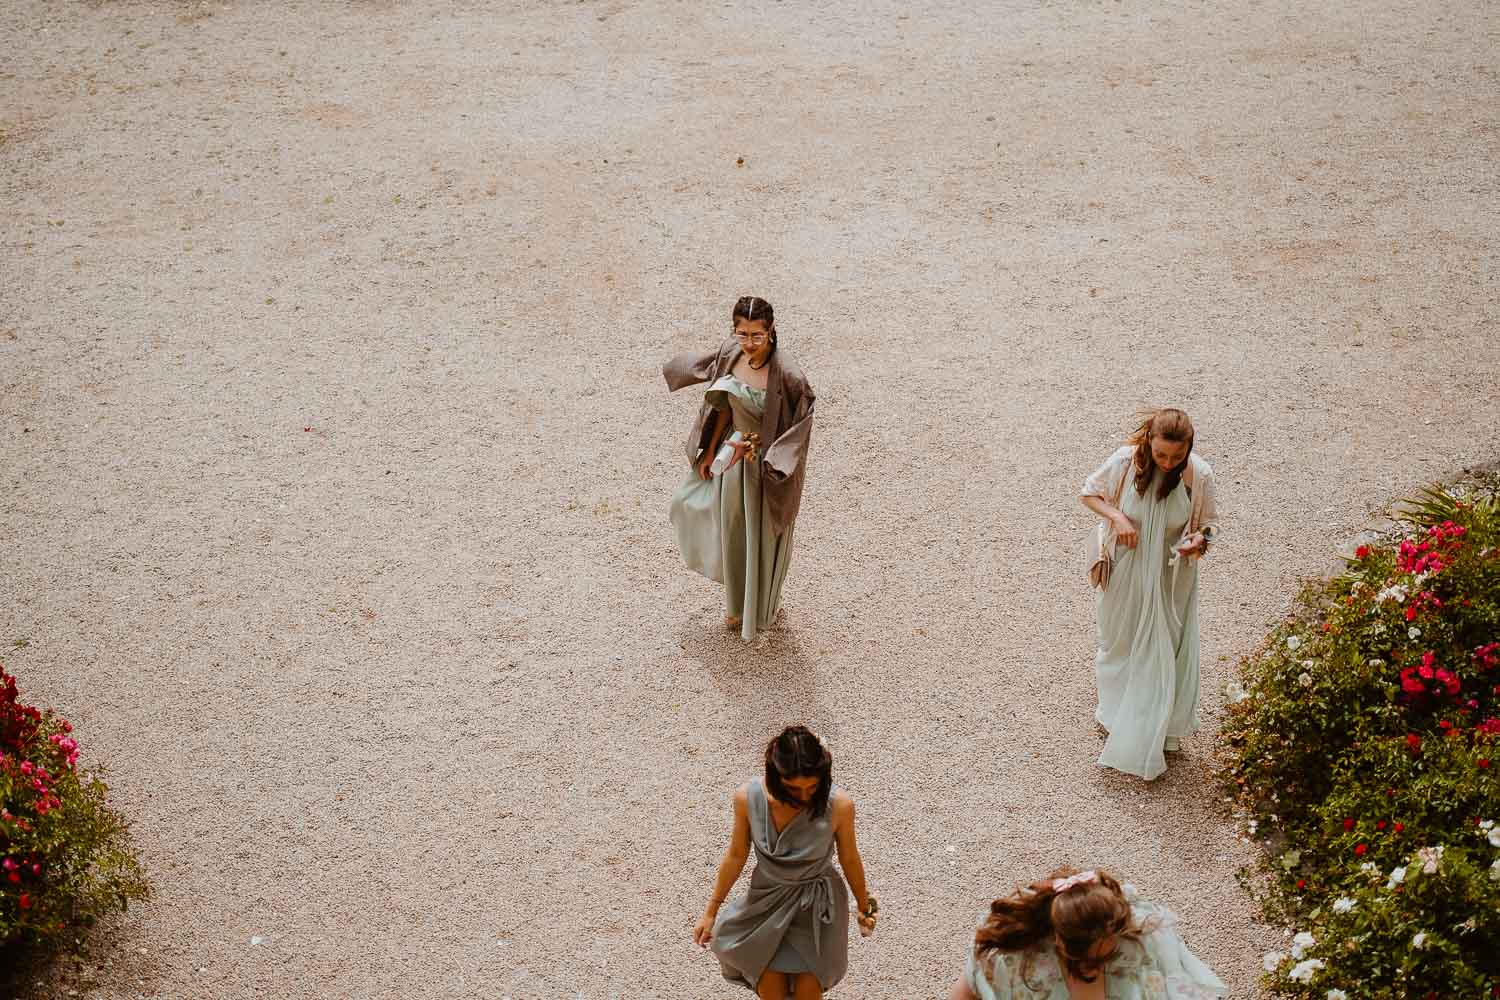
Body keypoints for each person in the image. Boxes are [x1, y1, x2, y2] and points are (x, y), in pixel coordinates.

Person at [664, 296, 815, 642]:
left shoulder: (788, 375)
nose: (749, 343)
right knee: (732, 530)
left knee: (764, 535)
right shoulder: (732, 354)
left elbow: (799, 426)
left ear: (771, 331)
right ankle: (735, 605)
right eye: (742, 334)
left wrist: (764, 449)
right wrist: (708, 452)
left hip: (768, 468)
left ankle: (763, 605)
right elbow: (725, 406)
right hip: (733, 459)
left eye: (756, 335)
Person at [1080, 409, 1220, 780]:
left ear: (1189, 448)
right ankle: (1117, 714)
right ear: (1149, 442)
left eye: (1177, 456)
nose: (1168, 463)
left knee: (1164, 648)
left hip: (1170, 577)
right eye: (1161, 455)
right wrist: (1118, 517)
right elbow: (1089, 493)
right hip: (1126, 569)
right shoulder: (1125, 461)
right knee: (1119, 641)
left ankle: (1157, 726)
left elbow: (1210, 526)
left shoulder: (1199, 474)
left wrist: (1198, 541)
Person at [693, 725, 877, 999]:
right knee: (770, 989)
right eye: (793, 788)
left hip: (815, 909)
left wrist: (864, 906)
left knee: (808, 992)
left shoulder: (840, 805)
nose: (804, 797)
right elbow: (736, 855)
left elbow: (849, 857)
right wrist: (710, 911)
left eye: (812, 788)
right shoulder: (747, 798)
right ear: (774, 775)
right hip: (766, 903)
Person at [948, 867, 1226, 999]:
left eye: (1110, 942)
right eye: (1091, 958)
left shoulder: (1142, 940)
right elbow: (965, 994)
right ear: (1059, 941)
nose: (1100, 963)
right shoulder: (1016, 961)